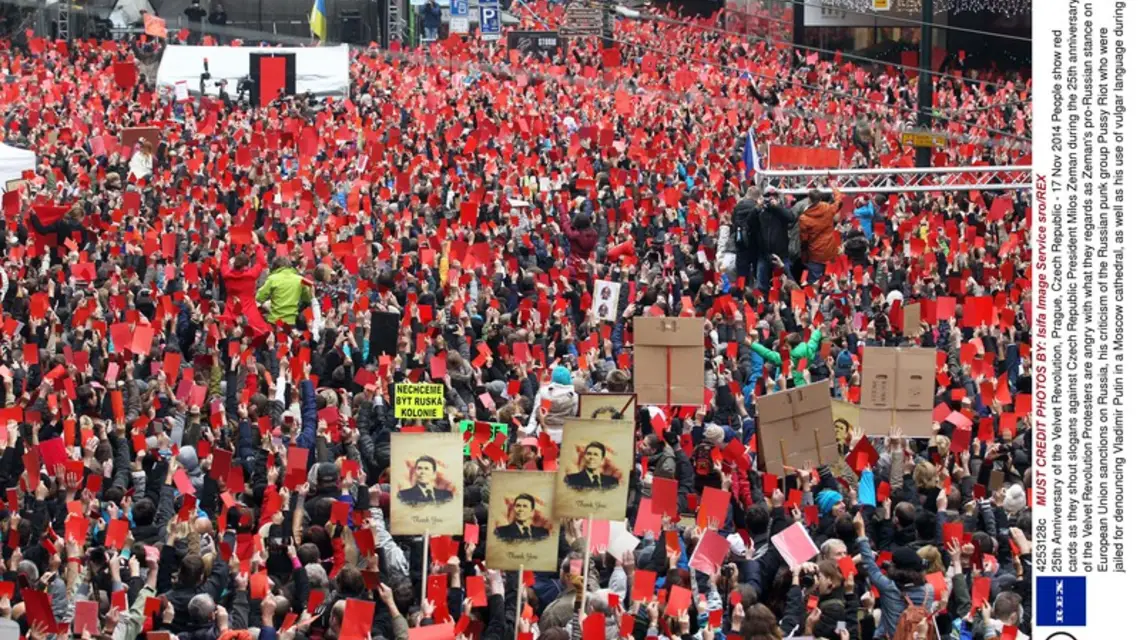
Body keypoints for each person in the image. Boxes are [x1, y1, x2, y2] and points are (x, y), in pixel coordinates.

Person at [798, 184, 844, 283]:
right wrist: (834, 187)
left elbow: (804, 239)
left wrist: (804, 256)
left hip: (815, 254)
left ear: (809, 199)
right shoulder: (828, 208)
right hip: (830, 251)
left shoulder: (804, 218)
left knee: (814, 283)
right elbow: (839, 201)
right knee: (830, 282)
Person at [256, 256, 313, 326]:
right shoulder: (300, 279)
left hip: (275, 321)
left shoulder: (272, 279)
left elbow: (259, 297)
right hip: (292, 321)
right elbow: (307, 298)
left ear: (275, 267)